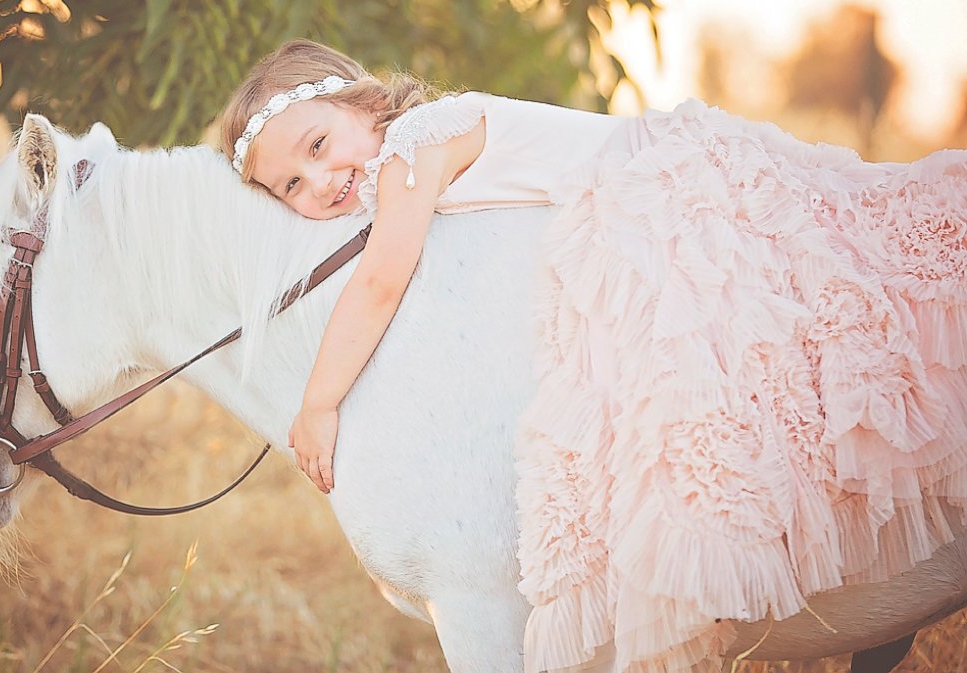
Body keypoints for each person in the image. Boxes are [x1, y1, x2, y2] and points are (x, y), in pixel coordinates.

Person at [217, 39, 967, 673]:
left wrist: (317, 403)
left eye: (318, 147)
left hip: (670, 195)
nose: (319, 182)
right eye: (291, 184)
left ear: (361, 103)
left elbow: (382, 279)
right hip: (654, 200)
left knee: (782, 337)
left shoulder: (416, 144)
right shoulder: (403, 164)